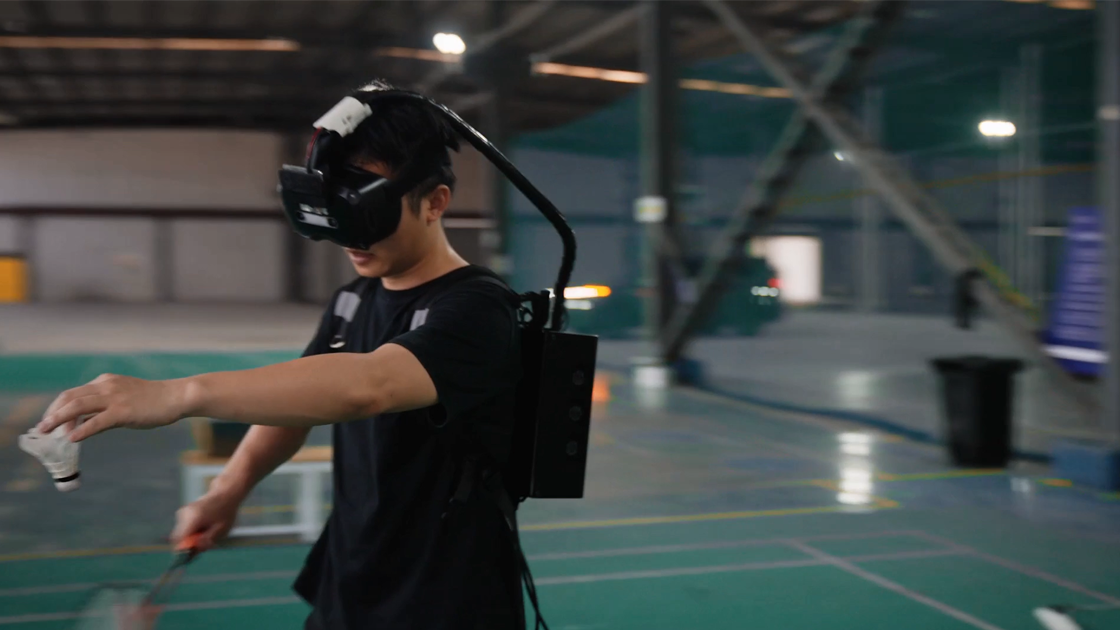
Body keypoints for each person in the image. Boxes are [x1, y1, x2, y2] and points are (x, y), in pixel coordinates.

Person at [35, 86, 526, 630]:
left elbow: (369, 386)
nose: (348, 236)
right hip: (351, 585)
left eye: (369, 213)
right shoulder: (353, 300)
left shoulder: (479, 309)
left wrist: (179, 393)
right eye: (339, 210)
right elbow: (294, 411)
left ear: (434, 202)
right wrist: (227, 492)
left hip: (445, 603)